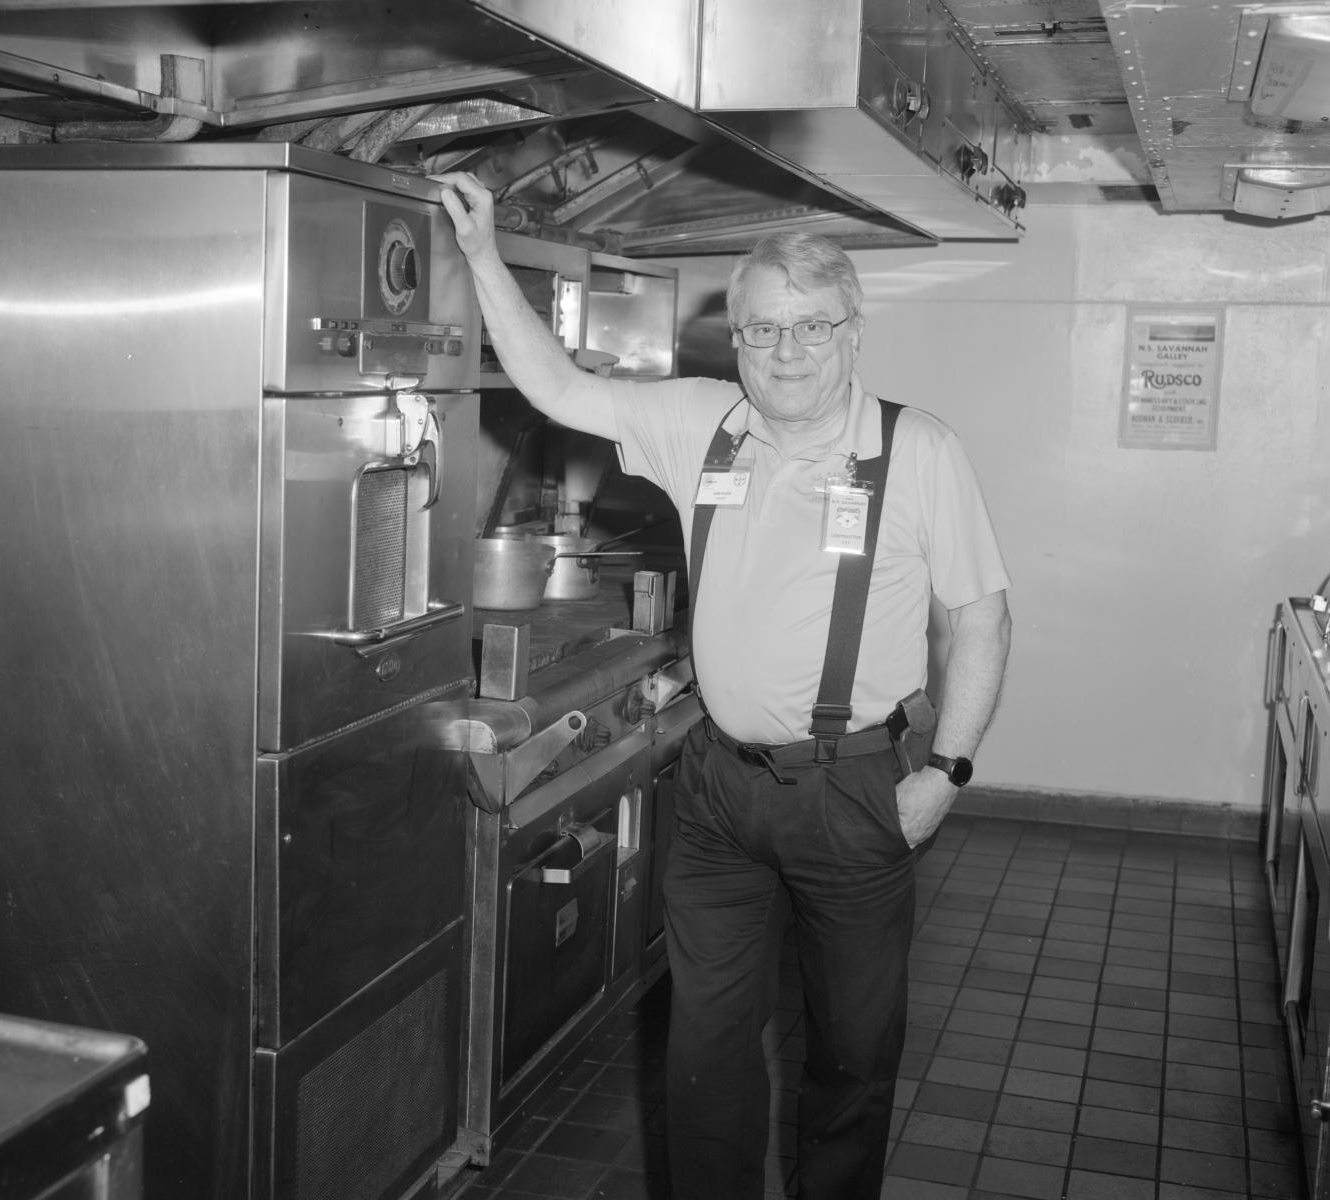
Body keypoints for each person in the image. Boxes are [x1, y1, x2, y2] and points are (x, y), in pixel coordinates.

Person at [433, 171, 1012, 1200]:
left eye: (811, 326)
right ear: (735, 337)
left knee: (851, 1052)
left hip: (854, 789)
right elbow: (556, 388)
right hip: (718, 791)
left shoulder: (916, 450)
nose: (786, 351)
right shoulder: (704, 424)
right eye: (762, 329)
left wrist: (948, 773)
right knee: (703, 1047)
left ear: (852, 332)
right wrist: (482, 255)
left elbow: (981, 619)